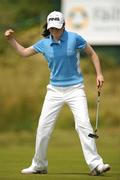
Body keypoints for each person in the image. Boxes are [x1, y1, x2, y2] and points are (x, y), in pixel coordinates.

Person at [5, 11, 111, 176]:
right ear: (48, 27)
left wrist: (99, 74)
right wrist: (11, 39)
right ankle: (39, 165)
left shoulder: (75, 38)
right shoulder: (44, 43)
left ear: (63, 26)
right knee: (43, 128)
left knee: (83, 125)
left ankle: (96, 164)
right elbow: (24, 53)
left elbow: (92, 53)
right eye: (52, 28)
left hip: (75, 89)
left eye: (57, 28)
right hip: (54, 91)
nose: (54, 31)